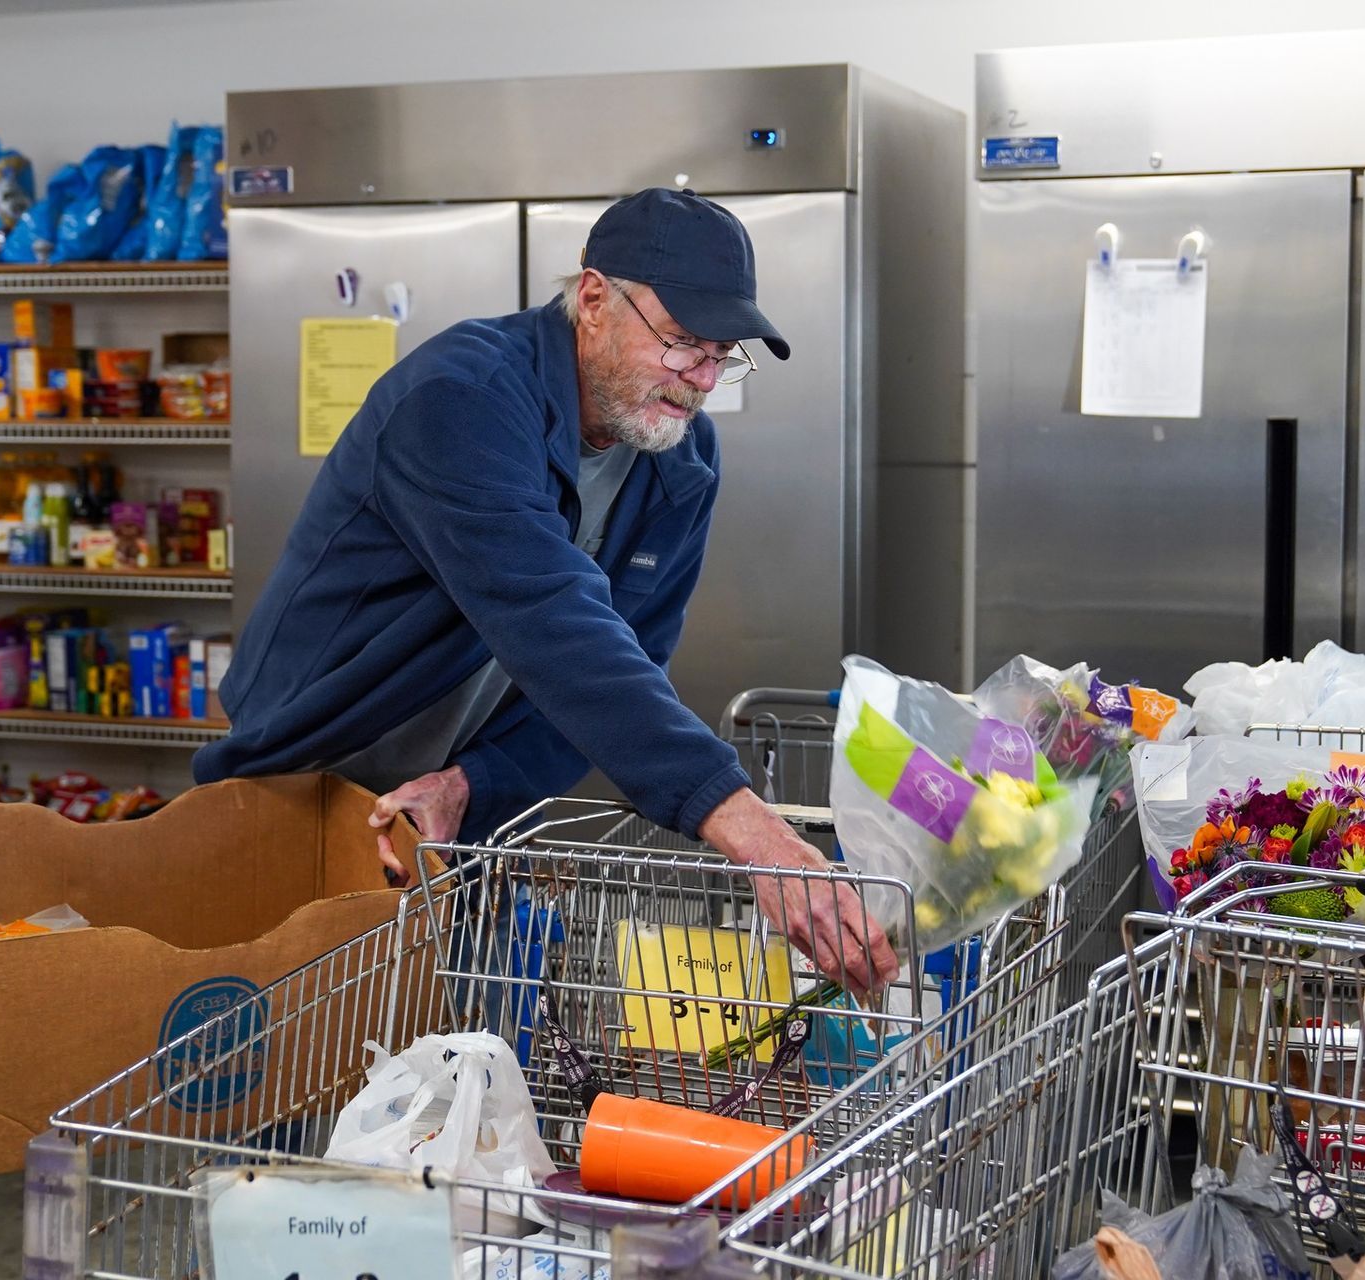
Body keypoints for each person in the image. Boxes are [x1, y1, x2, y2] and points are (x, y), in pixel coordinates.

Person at [194, 188, 898, 996]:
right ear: (594, 299)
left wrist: (475, 783)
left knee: (457, 1077)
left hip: (452, 820)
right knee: (287, 1081)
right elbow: (556, 626)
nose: (699, 379)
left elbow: (628, 662)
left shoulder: (679, 458)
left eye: (720, 354)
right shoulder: (462, 401)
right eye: (680, 344)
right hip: (311, 777)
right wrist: (757, 837)